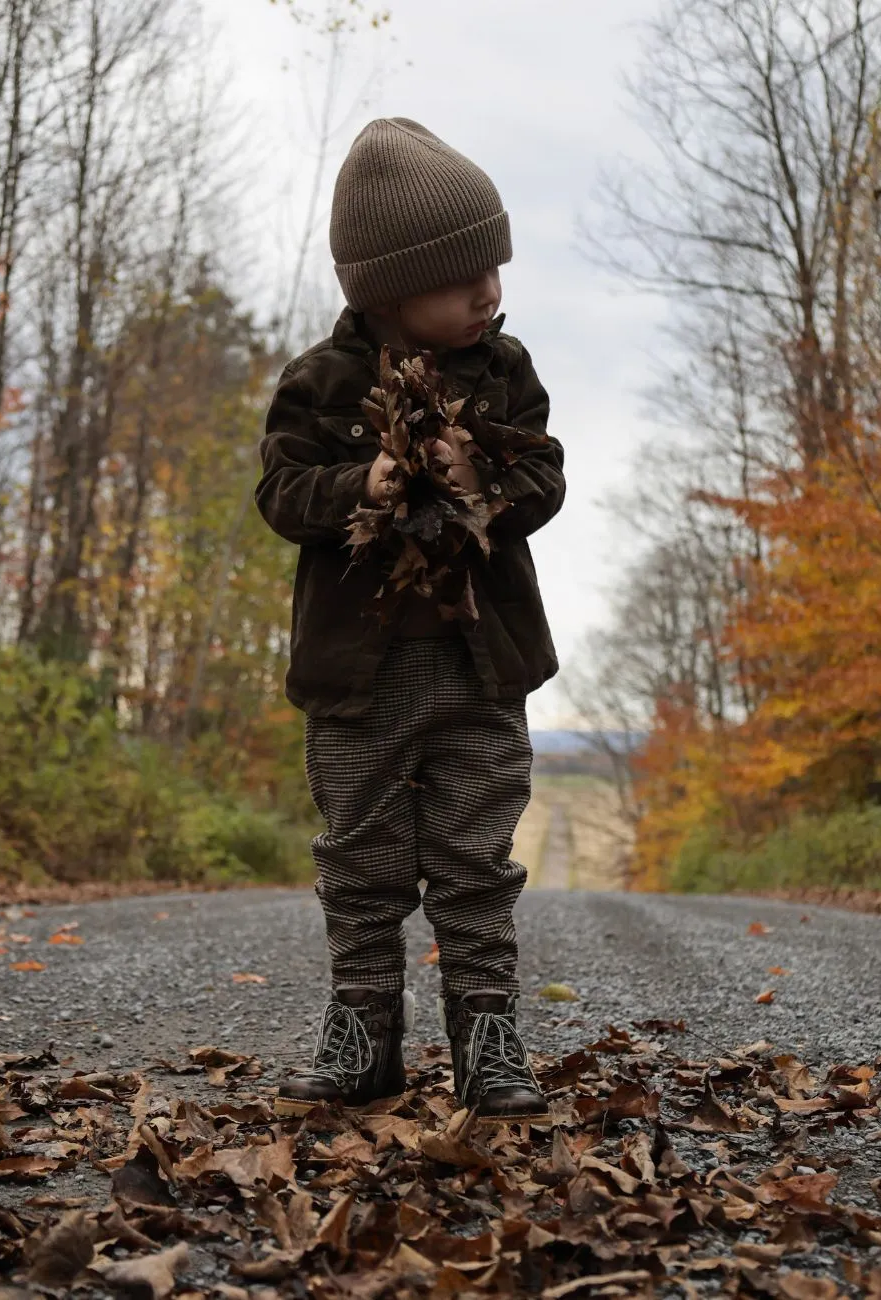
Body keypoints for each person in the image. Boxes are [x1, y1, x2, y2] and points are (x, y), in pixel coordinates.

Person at [255, 117, 565, 1121]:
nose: (490, 293)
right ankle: (363, 1033)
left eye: (495, 270)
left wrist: (486, 476)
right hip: (358, 675)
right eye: (465, 276)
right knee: (362, 854)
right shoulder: (319, 383)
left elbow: (545, 479)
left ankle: (487, 1035)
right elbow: (281, 494)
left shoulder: (505, 373)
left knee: (475, 855)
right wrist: (367, 478)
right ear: (386, 289)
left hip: (480, 667)